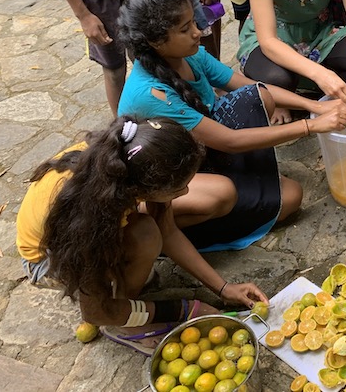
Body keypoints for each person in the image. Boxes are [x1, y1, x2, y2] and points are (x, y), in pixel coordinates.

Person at [117, 0, 346, 252]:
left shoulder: (189, 57)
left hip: (200, 153)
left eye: (194, 22)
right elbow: (229, 141)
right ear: (156, 42)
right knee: (273, 196)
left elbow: (250, 87)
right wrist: (310, 125)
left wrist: (317, 106)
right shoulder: (151, 95)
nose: (198, 32)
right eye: (185, 29)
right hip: (166, 179)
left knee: (261, 97)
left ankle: (231, 190)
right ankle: (158, 231)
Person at [16, 116, 267, 353]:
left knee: (148, 233)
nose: (186, 192)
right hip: (46, 259)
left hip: (90, 226)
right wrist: (186, 309)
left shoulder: (132, 161)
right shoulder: (89, 219)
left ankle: (126, 300)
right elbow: (93, 313)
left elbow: (167, 231)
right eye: (179, 188)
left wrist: (223, 288)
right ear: (146, 188)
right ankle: (124, 321)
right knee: (144, 236)